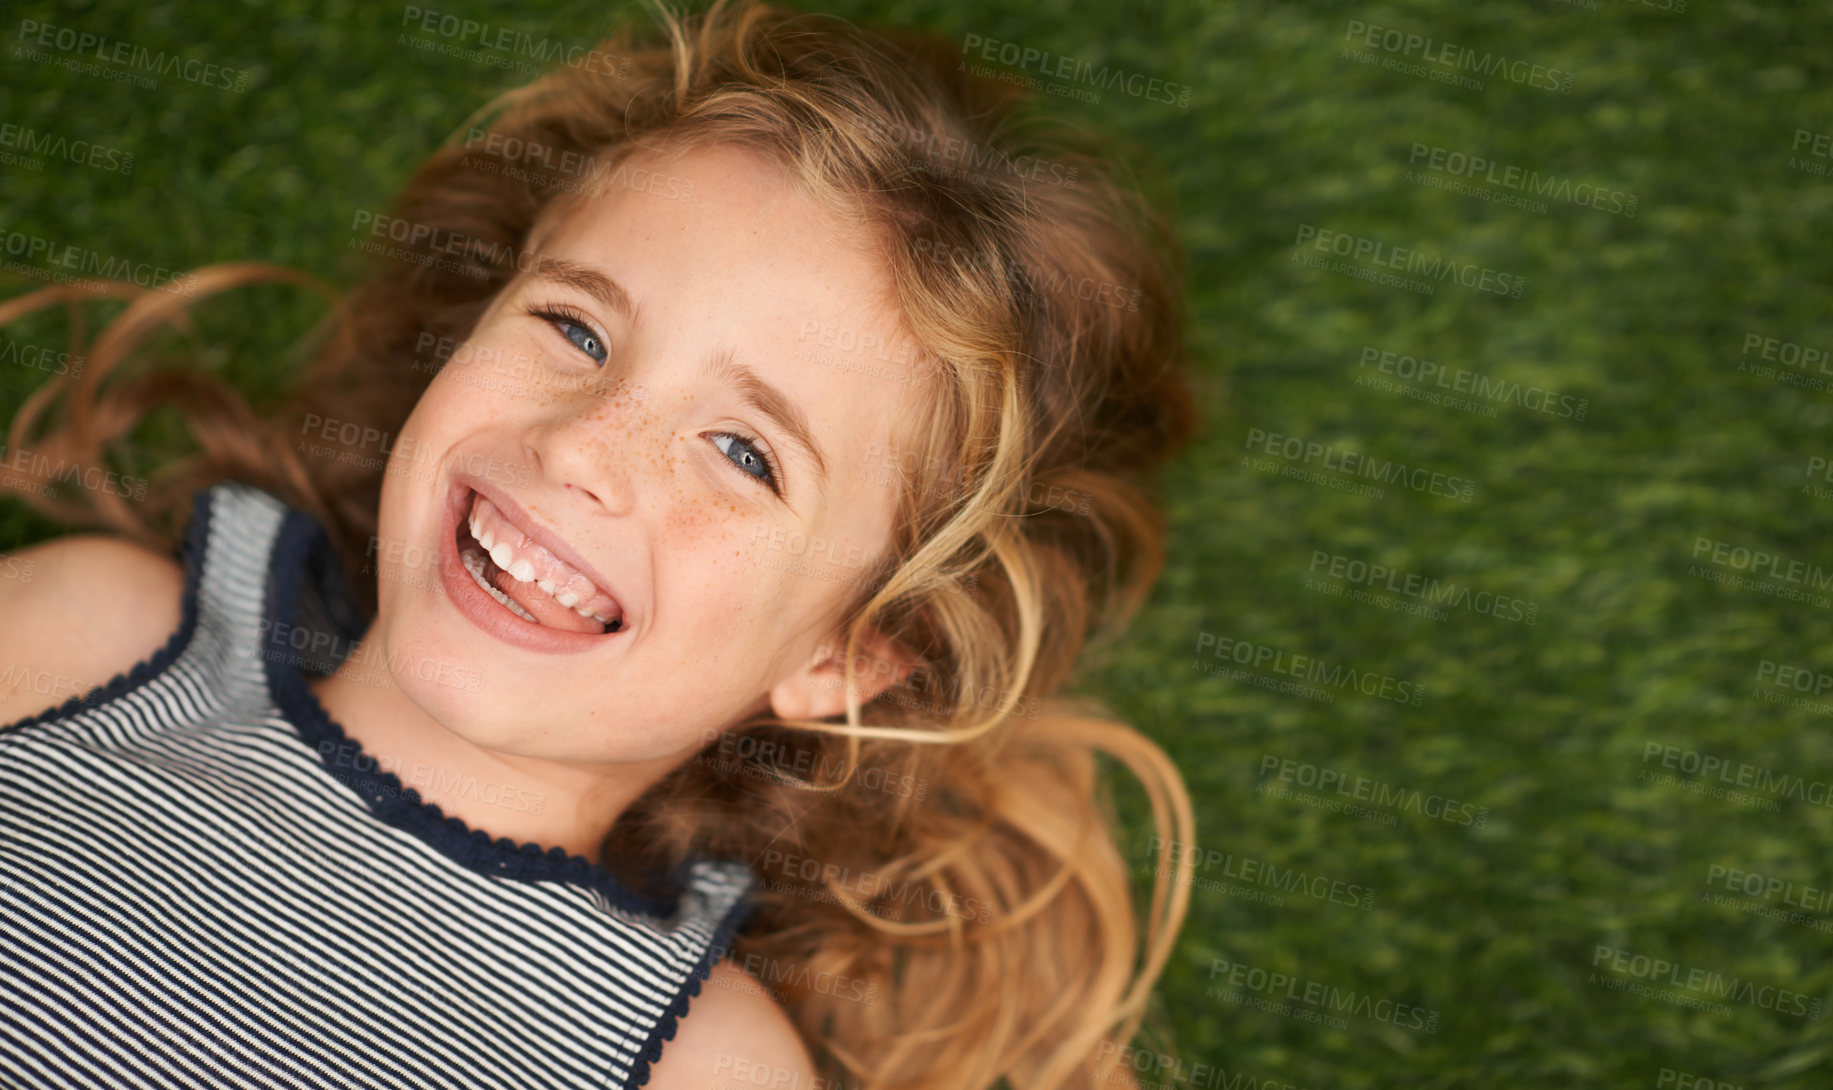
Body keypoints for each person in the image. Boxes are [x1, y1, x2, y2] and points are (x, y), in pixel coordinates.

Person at [0, 1, 1198, 1086]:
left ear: (846, 653)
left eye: (744, 453)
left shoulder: (702, 1062)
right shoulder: (98, 636)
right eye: (576, 327)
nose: (584, 448)